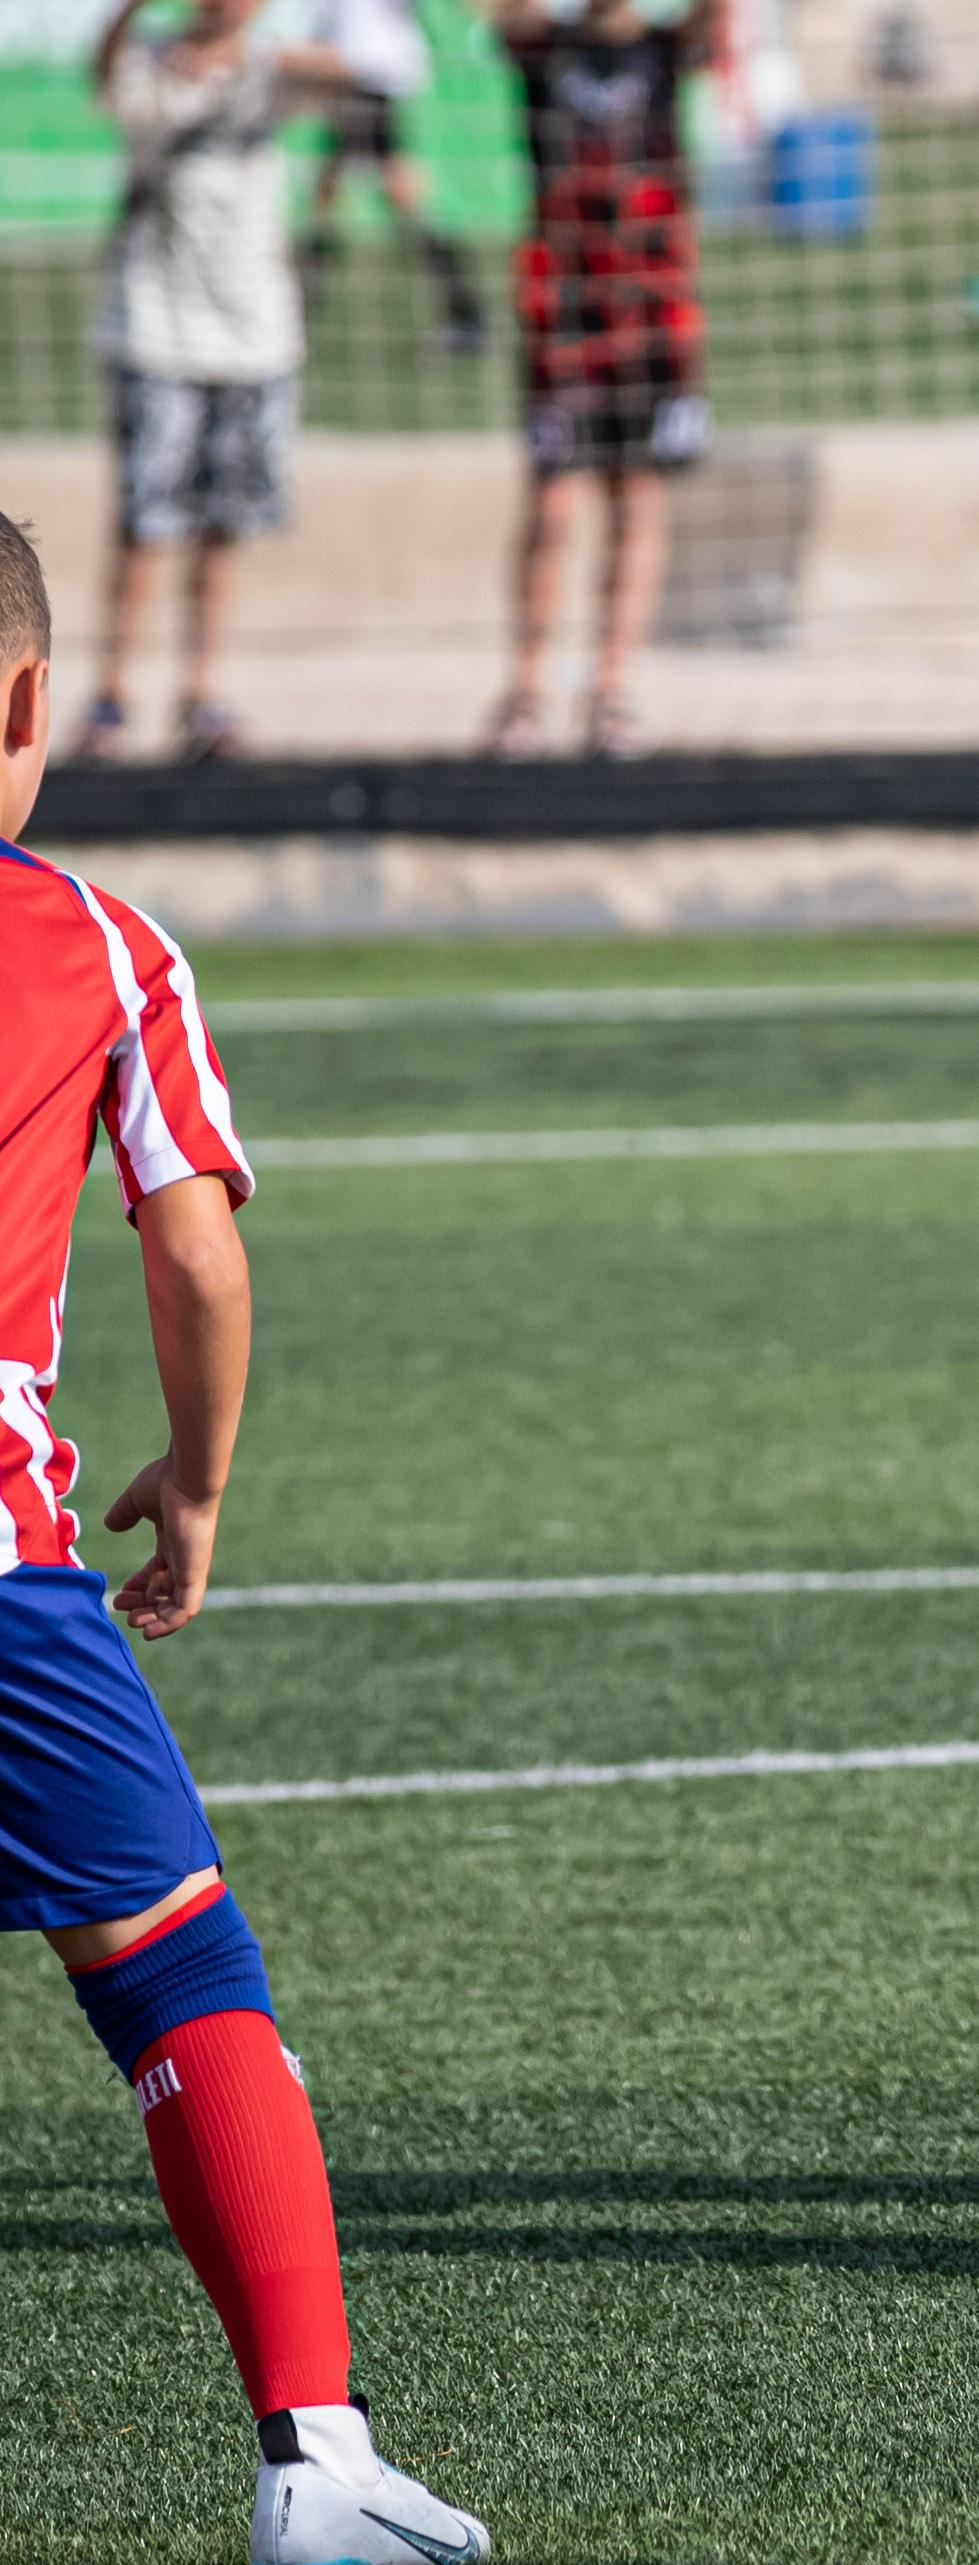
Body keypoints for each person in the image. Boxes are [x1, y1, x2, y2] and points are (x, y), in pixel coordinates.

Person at [0, 516, 495, 2563]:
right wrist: (193, 1483)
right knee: (176, 1965)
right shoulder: (100, 947)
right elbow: (196, 1255)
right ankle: (316, 2463)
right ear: (31, 701)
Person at [76, 0, 352, 766]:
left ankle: (202, 691)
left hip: (254, 337)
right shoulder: (151, 64)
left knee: (225, 523)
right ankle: (112, 692)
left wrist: (250, 54)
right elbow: (101, 74)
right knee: (145, 523)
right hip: (156, 329)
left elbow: (357, 72)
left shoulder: (271, 68)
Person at [487, 0, 722, 760]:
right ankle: (527, 688)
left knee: (637, 496)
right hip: (565, 311)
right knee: (553, 502)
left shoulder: (665, 49)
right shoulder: (544, 47)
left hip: (652, 309)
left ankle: (611, 688)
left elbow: (717, 22)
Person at [300, 0, 488, 356]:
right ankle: (299, 312)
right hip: (345, 79)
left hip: (376, 80)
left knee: (399, 197)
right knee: (328, 195)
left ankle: (466, 316)